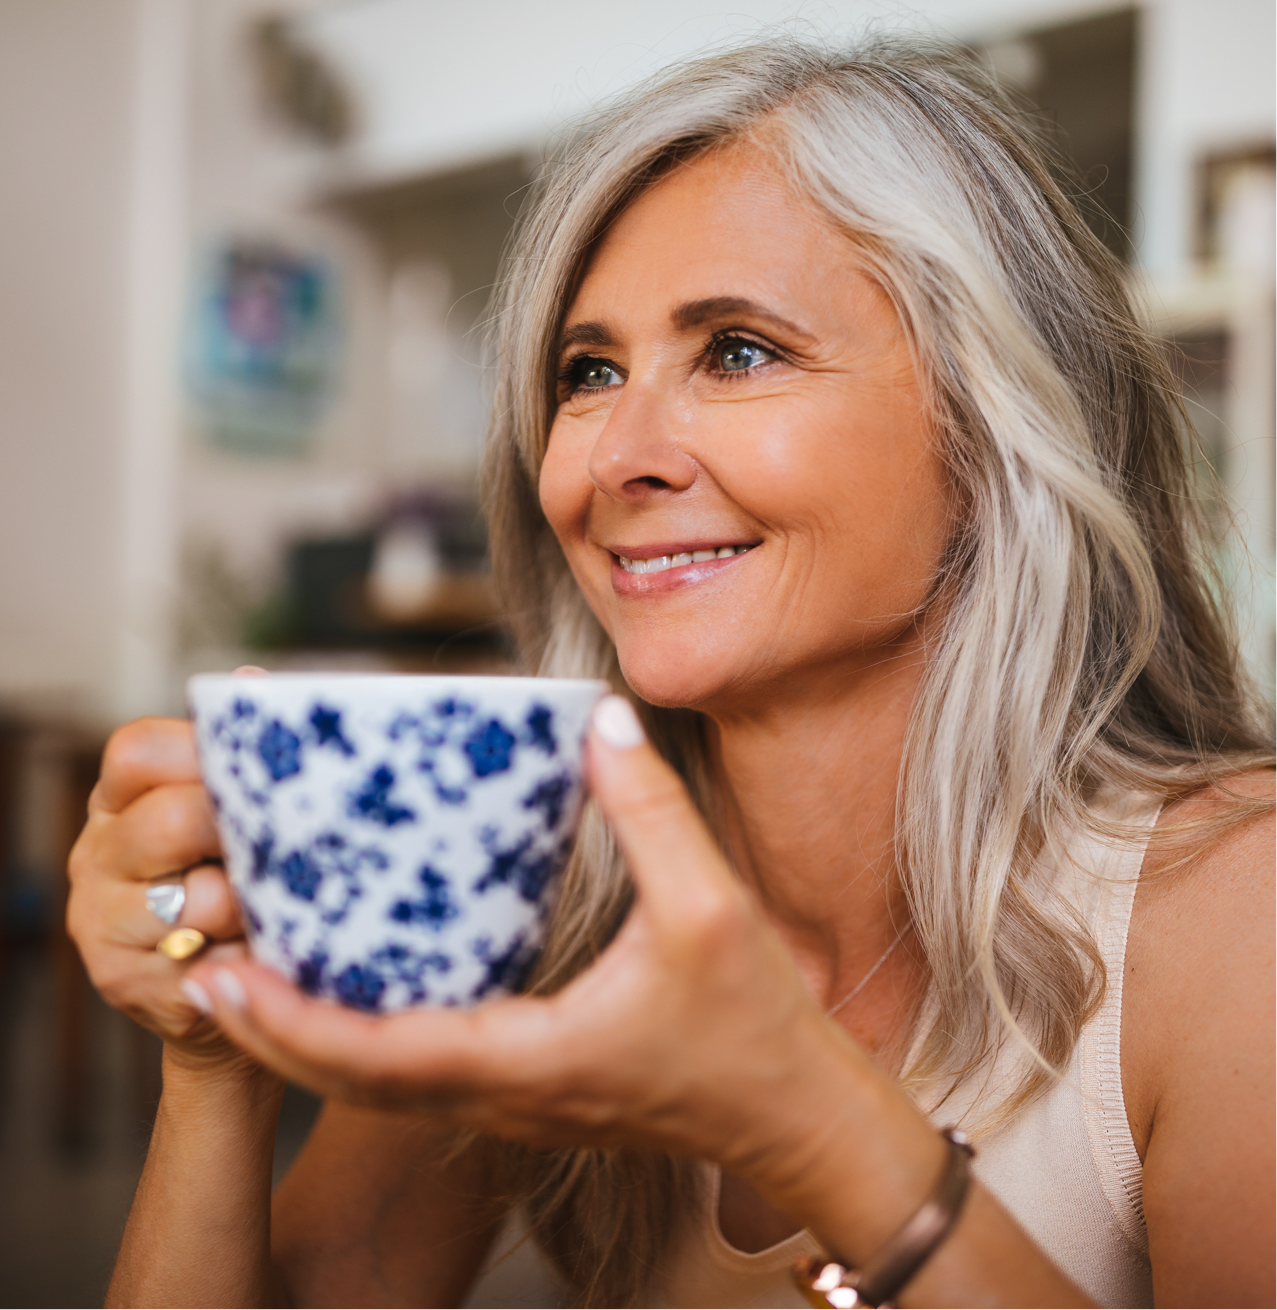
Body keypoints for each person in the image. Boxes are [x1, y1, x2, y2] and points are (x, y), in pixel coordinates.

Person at [68, 38, 1274, 1309]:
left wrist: (803, 1119)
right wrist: (216, 1057)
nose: (614, 457)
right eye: (588, 373)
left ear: (995, 426)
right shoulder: (532, 888)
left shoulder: (1229, 913)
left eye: (738, 349)